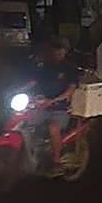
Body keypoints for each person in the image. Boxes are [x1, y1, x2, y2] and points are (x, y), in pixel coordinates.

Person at [29, 36, 79, 175]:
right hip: (41, 106)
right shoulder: (43, 66)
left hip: (60, 109)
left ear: (65, 51)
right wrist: (17, 90)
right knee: (24, 122)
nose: (56, 52)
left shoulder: (69, 68)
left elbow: (71, 89)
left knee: (53, 128)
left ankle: (57, 161)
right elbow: (33, 83)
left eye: (59, 49)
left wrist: (54, 100)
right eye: (53, 49)